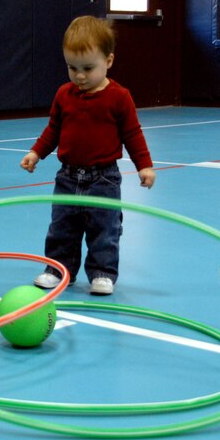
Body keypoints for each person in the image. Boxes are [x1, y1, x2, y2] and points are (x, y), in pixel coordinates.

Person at [20, 15, 155, 296]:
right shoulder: (64, 95)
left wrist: (145, 166)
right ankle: (59, 270)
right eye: (72, 68)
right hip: (67, 177)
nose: (80, 76)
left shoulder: (119, 97)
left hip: (103, 179)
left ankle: (102, 273)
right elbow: (53, 130)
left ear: (109, 61)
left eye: (88, 68)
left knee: (104, 230)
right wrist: (36, 152)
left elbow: (133, 134)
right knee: (61, 229)